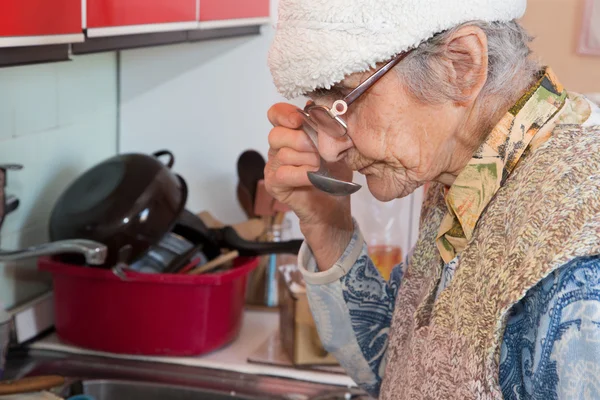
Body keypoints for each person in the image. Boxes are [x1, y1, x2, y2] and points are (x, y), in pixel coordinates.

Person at [264, 0, 600, 398]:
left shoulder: (578, 257)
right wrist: (326, 222)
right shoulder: (467, 176)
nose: (327, 147)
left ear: (460, 65)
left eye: (342, 97)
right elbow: (404, 368)